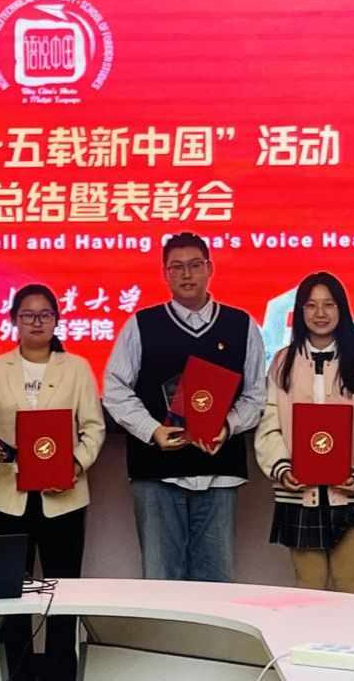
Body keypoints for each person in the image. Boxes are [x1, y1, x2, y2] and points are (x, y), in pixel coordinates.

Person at [103, 231, 266, 582]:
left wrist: (228, 426)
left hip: (219, 471)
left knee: (216, 582)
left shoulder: (241, 325)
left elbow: (256, 394)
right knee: (161, 580)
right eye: (176, 267)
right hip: (157, 472)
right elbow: (115, 390)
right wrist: (152, 430)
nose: (186, 274)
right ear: (165, 273)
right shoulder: (141, 324)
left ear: (210, 268)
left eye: (194, 265)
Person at [0, 284, 106, 681]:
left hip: (64, 497)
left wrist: (74, 466)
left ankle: (63, 671)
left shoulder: (77, 368)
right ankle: (18, 671)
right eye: (28, 315)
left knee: (63, 594)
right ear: (14, 320)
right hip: (7, 497)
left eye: (44, 315)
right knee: (11, 595)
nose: (36, 322)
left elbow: (94, 427)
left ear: (56, 321)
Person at [255, 271, 354, 595]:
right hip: (299, 491)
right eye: (311, 305)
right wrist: (281, 468)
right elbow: (269, 422)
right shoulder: (283, 362)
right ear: (300, 311)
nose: (320, 313)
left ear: (342, 309)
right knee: (309, 587)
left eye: (329, 305)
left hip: (351, 490)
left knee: (350, 584)